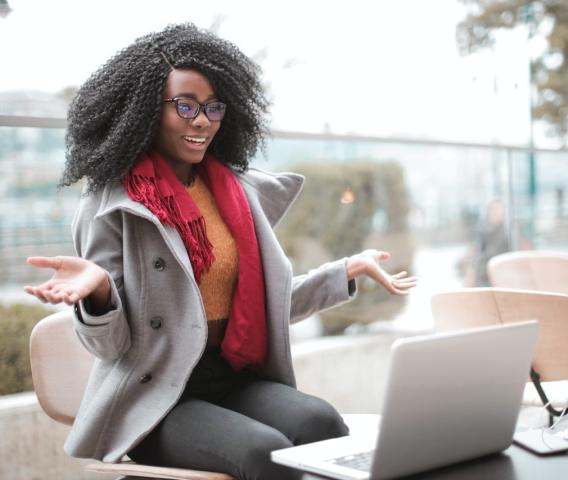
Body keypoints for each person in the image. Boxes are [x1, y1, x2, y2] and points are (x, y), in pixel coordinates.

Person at [23, 24, 417, 480]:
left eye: (213, 107)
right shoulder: (111, 206)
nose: (202, 120)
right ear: (146, 110)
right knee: (266, 452)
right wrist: (98, 295)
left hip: (231, 376)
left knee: (322, 424)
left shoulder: (234, 193)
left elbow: (261, 307)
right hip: (159, 396)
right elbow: (112, 346)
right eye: (185, 106)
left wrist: (344, 271)